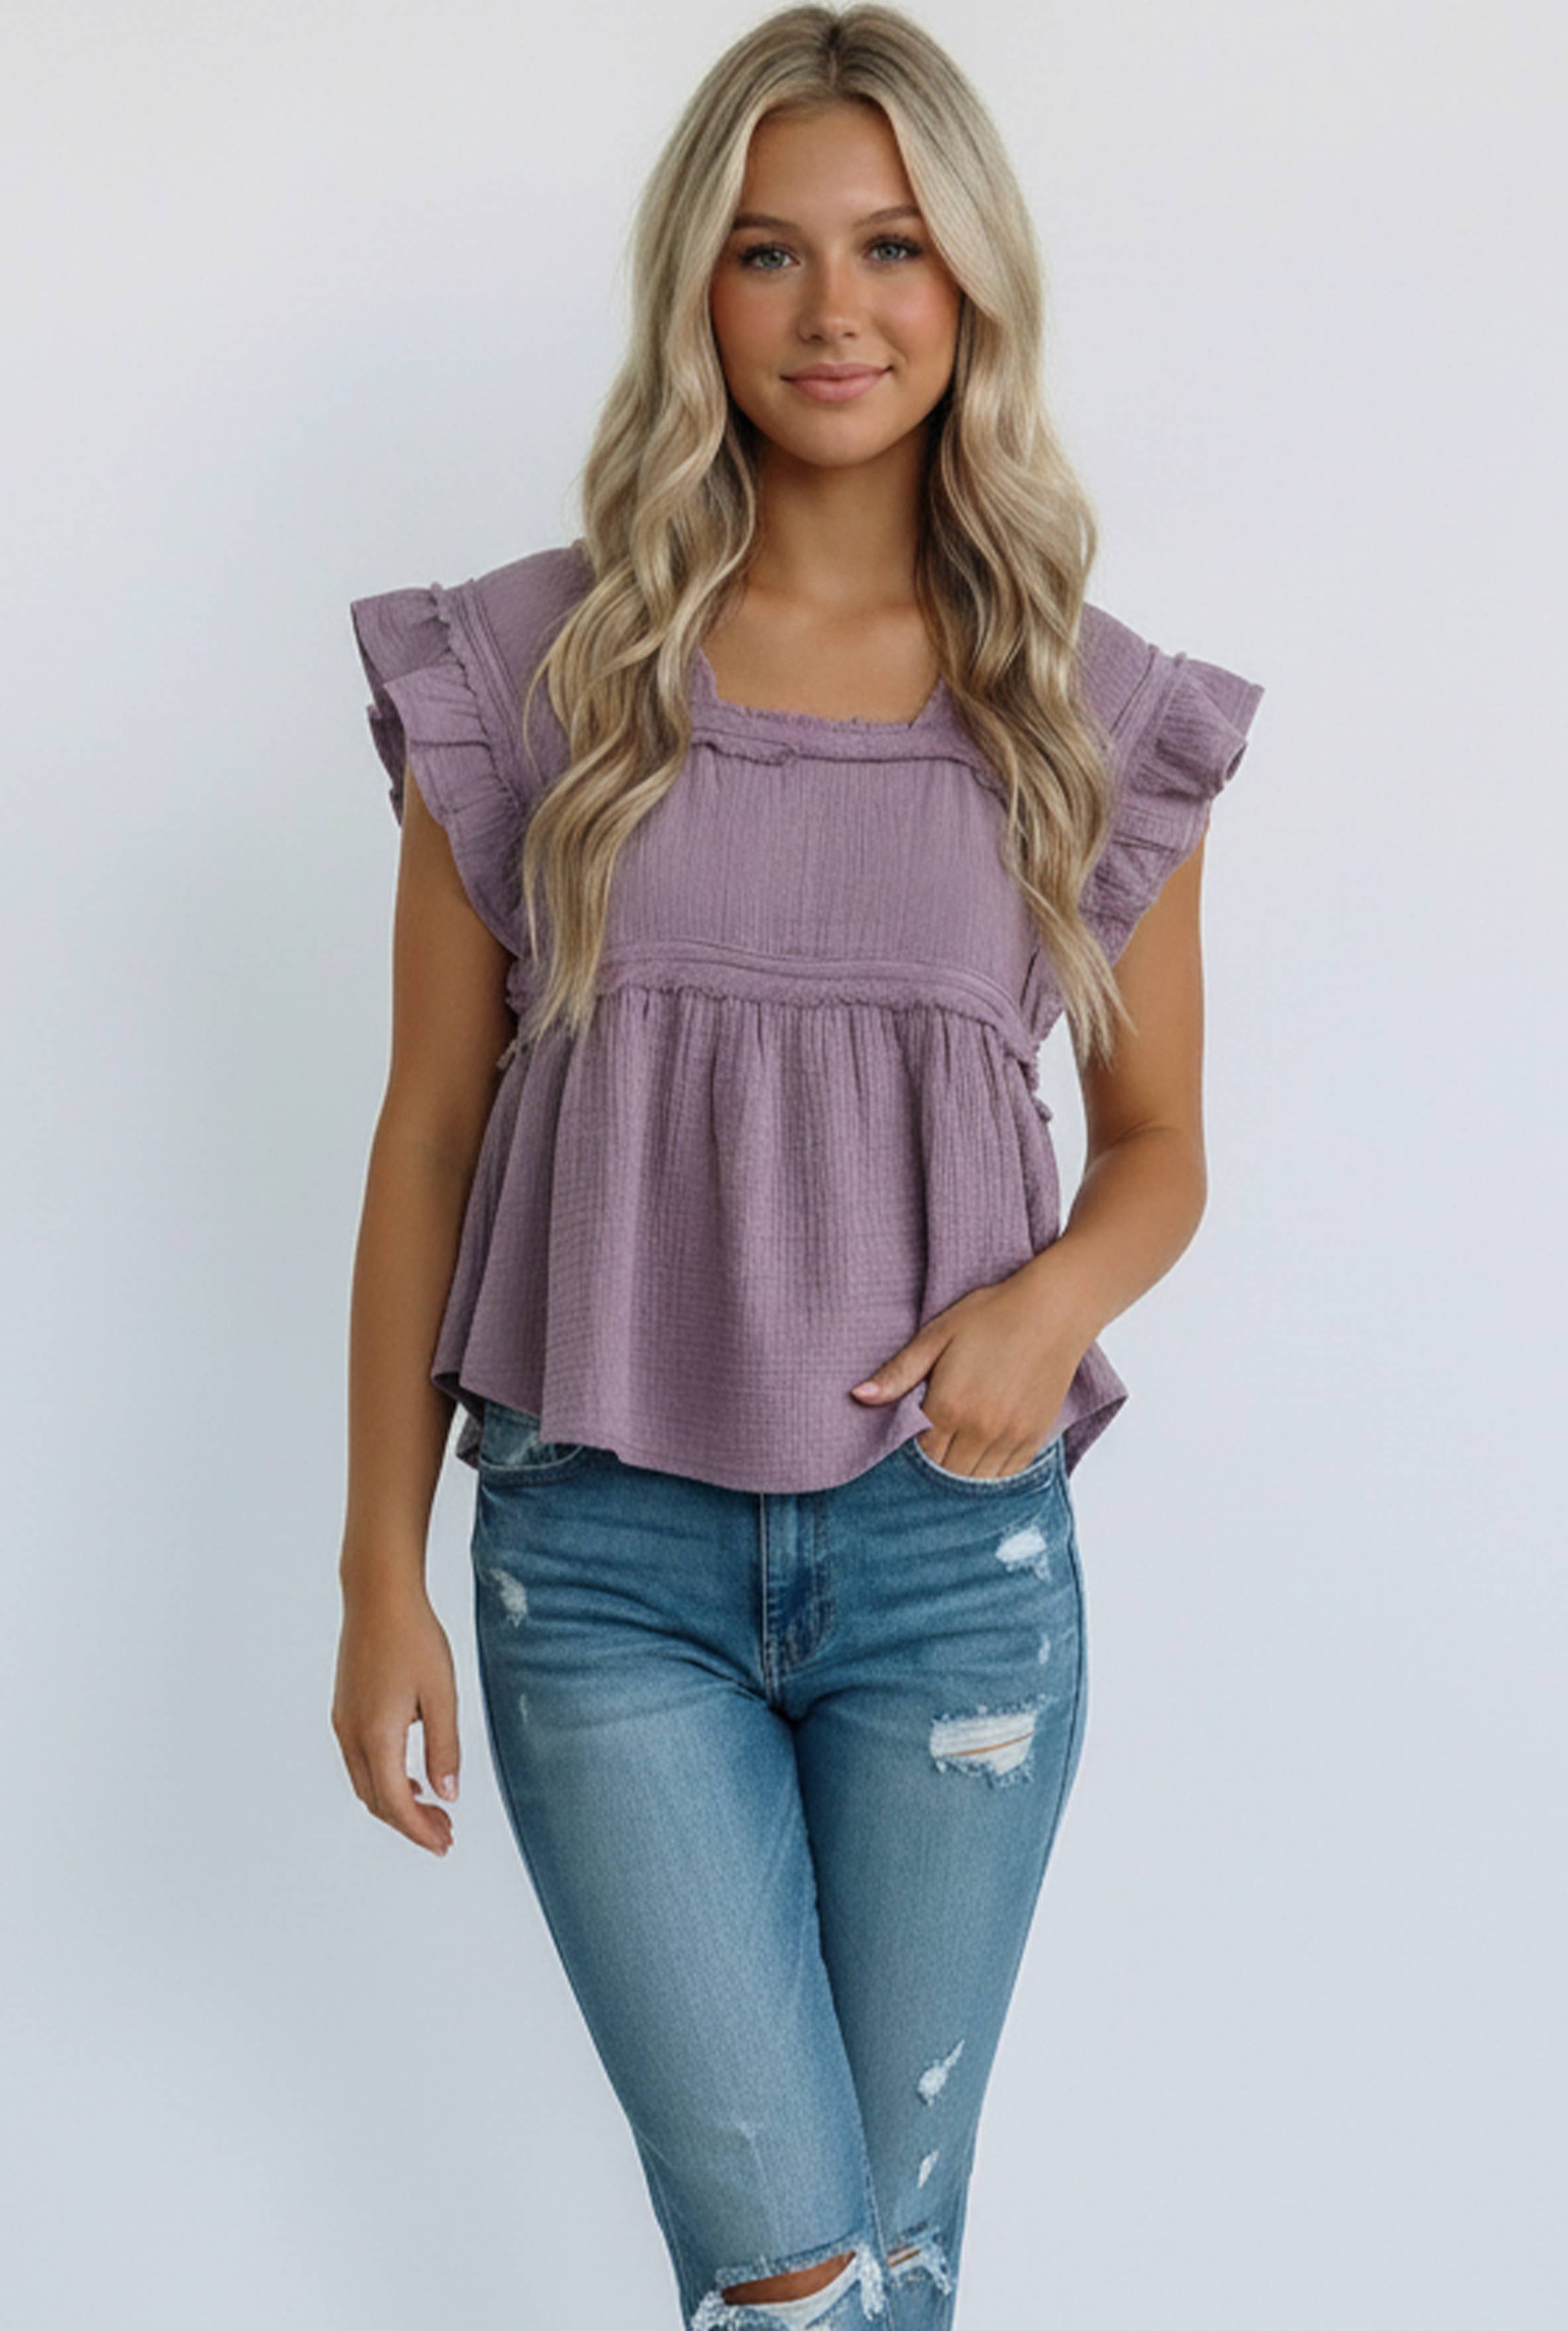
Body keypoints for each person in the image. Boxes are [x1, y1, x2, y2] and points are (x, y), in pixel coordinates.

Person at [331, 7, 1265, 2325]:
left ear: (971, 284)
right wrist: (377, 1574)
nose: (833, 309)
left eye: (889, 247)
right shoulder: (530, 670)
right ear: (698, 288)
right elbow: (428, 1130)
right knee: (804, 2278)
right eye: (768, 252)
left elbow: (1160, 1147)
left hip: (954, 1563)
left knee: (889, 2269)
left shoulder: (1078, 702)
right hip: (601, 1562)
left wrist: (1048, 1309)